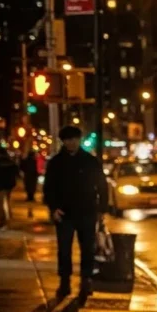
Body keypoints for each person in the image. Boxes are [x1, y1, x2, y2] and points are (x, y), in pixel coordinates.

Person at [42, 126, 109, 300]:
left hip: (87, 211)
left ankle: (86, 280)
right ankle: (65, 281)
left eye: (74, 139)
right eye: (68, 140)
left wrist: (102, 209)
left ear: (79, 140)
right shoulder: (56, 162)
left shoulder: (90, 161)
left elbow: (102, 185)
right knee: (64, 250)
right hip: (64, 213)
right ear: (63, 141)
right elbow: (49, 187)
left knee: (87, 248)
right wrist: (53, 208)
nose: (71, 143)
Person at [0, 143, 19, 230]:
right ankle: (5, 219)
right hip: (8, 185)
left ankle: (2, 221)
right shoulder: (10, 162)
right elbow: (16, 172)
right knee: (4, 202)